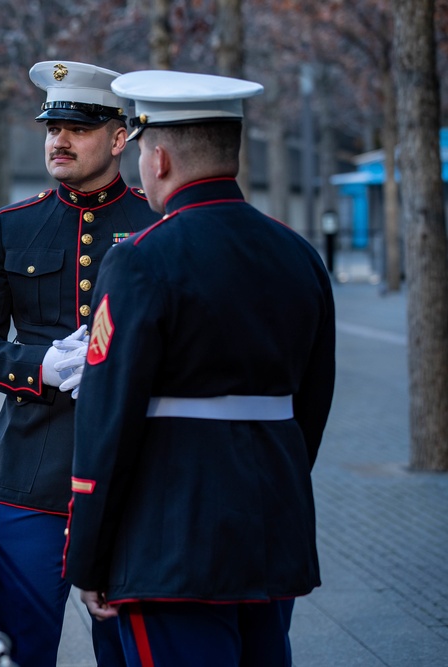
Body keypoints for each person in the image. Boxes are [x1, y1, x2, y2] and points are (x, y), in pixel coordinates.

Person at [65, 70, 336, 667]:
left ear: (157, 158)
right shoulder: (300, 256)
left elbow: (109, 426)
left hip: (169, 545)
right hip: (272, 533)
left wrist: (89, 556)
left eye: (139, 152)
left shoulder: (140, 259)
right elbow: (311, 409)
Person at [0, 61, 160, 667]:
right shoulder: (13, 226)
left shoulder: (156, 222)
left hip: (134, 473)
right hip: (31, 470)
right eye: (51, 128)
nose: (59, 140)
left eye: (78, 127)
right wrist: (36, 366)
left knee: (128, 650)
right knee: (17, 645)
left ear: (119, 138)